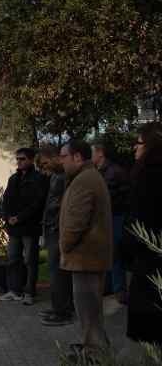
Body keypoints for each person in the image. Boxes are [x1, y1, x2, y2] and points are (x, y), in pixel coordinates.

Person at [59, 140, 112, 361]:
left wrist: (64, 245)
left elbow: (77, 221)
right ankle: (95, 350)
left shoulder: (84, 180)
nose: (61, 161)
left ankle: (96, 355)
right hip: (88, 257)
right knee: (91, 313)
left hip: (86, 259)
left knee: (89, 312)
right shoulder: (88, 177)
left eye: (64, 156)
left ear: (77, 157)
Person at [124, 122, 162, 345]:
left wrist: (128, 249)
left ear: (150, 145)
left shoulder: (147, 176)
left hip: (149, 258)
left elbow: (139, 219)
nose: (134, 148)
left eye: (138, 143)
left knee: (149, 328)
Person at [0, 148, 47, 305]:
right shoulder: (13, 179)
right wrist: (8, 217)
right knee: (13, 259)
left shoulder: (39, 178)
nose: (19, 162)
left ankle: (29, 292)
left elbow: (38, 203)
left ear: (31, 160)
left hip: (29, 227)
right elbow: (6, 199)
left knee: (30, 261)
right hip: (14, 227)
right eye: (17, 159)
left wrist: (19, 217)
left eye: (22, 159)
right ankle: (14, 291)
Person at [37, 146, 73, 326]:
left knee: (58, 272)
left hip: (56, 228)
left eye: (45, 163)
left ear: (54, 158)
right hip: (52, 227)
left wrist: (49, 223)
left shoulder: (62, 177)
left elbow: (57, 204)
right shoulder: (56, 176)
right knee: (56, 271)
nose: (44, 168)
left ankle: (62, 311)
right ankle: (59, 306)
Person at [91, 143, 130, 303]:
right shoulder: (98, 171)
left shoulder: (115, 171)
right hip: (105, 217)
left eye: (92, 152)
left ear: (100, 153)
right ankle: (108, 287)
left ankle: (119, 290)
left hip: (116, 216)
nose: (91, 156)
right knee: (105, 252)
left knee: (115, 252)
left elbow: (123, 195)